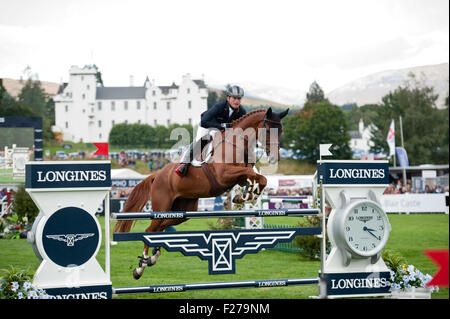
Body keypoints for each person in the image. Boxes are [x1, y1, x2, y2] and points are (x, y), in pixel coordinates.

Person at [175, 85, 247, 177]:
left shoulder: (241, 111)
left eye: (239, 99)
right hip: (207, 125)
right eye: (234, 98)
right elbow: (204, 121)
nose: (237, 101)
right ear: (228, 98)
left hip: (223, 130)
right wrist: (222, 126)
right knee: (200, 140)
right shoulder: (220, 106)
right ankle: (184, 163)